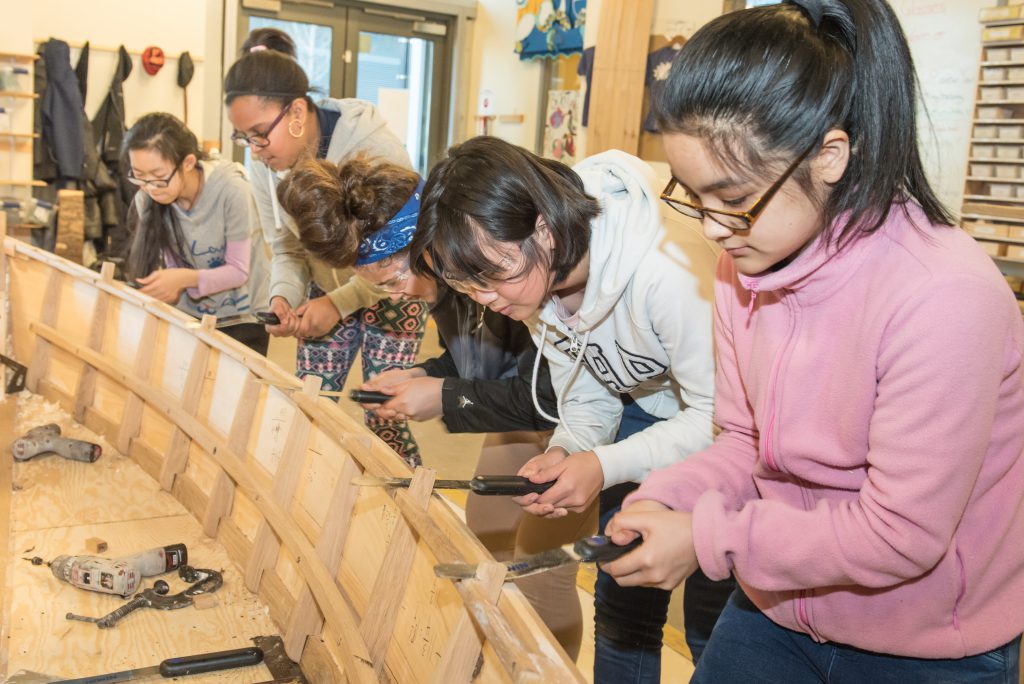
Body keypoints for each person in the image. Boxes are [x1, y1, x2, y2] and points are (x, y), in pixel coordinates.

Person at [602, 1, 1024, 682]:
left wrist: (713, 538)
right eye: (694, 196)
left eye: (732, 198)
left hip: (925, 645)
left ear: (829, 155)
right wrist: (670, 495)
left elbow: (900, 535)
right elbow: (743, 442)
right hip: (778, 608)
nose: (712, 227)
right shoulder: (745, 262)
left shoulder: (945, 295)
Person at [412, 135, 724, 681]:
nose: (487, 300)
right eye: (468, 286)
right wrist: (570, 449)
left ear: (543, 228)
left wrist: (604, 465)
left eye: (493, 275)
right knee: (622, 590)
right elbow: (587, 391)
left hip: (731, 425)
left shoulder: (665, 272)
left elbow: (718, 420)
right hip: (648, 405)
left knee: (711, 614)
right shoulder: (534, 277)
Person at [276, 155, 595, 659]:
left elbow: (544, 397)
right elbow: (476, 358)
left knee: (541, 568)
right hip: (520, 414)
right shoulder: (440, 279)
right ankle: (500, 663)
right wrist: (425, 375)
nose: (398, 294)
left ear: (420, 245)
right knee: (483, 542)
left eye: (393, 280)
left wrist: (444, 396)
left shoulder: (485, 268)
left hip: (574, 425)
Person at [224, 49, 429, 466]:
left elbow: (398, 262)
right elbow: (285, 246)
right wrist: (282, 297)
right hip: (324, 289)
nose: (255, 149)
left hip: (394, 288)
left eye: (260, 133)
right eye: (244, 137)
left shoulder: (374, 149)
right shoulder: (264, 160)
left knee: (383, 411)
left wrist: (338, 303)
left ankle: (402, 510)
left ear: (297, 111)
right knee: (311, 402)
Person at [121, 112, 271, 354]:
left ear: (188, 163)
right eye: (139, 176)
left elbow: (238, 271)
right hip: (190, 318)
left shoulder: (233, 191)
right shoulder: (147, 198)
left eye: (159, 177)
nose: (149, 187)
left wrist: (182, 279)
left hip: (242, 317)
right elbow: (172, 266)